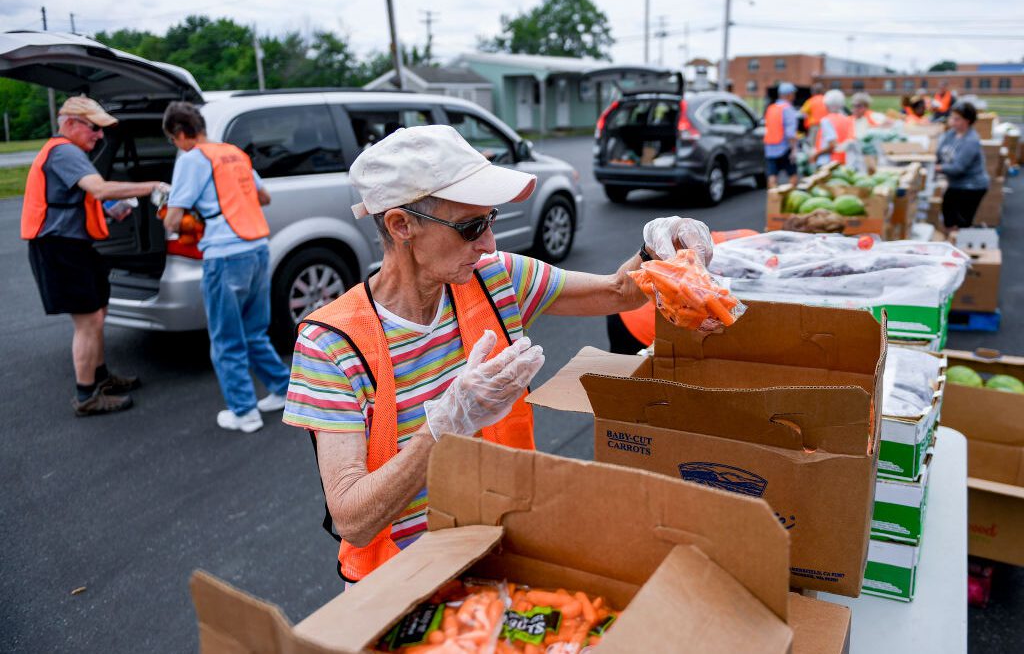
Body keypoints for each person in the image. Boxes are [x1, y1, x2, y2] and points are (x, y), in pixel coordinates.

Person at [282, 125, 713, 583]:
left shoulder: (496, 277)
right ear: (401, 225)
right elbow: (352, 518)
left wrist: (656, 247)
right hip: (399, 581)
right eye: (470, 227)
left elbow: (617, 293)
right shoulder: (330, 343)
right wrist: (443, 426)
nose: (488, 244)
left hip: (506, 550)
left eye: (490, 221)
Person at [23, 96, 164, 416]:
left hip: (74, 244)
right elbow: (98, 189)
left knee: (97, 312)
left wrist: (111, 209)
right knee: (87, 321)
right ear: (71, 123)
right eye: (94, 128)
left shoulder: (65, 151)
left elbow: (85, 196)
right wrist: (153, 185)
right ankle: (86, 396)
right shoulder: (65, 151)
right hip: (59, 246)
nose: (99, 136)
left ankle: (101, 377)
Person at [162, 101, 291, 433]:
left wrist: (176, 218)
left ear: (180, 134)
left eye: (173, 140)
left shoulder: (192, 159)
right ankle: (284, 390)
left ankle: (244, 411)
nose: (176, 146)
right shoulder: (234, 153)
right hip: (257, 249)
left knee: (226, 339)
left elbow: (175, 217)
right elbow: (264, 198)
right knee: (254, 332)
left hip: (224, 255)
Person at [936, 101, 990, 230]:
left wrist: (939, 168)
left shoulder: (971, 141)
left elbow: (957, 168)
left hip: (971, 186)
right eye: (952, 117)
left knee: (961, 221)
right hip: (956, 184)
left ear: (967, 121)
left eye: (957, 119)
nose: (952, 121)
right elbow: (939, 152)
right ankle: (950, 236)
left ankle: (959, 242)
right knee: (948, 214)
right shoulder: (951, 134)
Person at [764, 82, 799, 188]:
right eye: (793, 93)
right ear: (788, 94)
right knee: (792, 174)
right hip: (784, 147)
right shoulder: (788, 109)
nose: (794, 96)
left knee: (772, 175)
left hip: (770, 147)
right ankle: (790, 198)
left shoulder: (771, 108)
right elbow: (790, 133)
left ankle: (773, 200)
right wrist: (794, 150)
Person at [812, 89, 854, 166]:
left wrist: (816, 155)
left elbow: (832, 145)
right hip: (842, 160)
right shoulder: (848, 119)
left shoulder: (826, 120)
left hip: (827, 161)